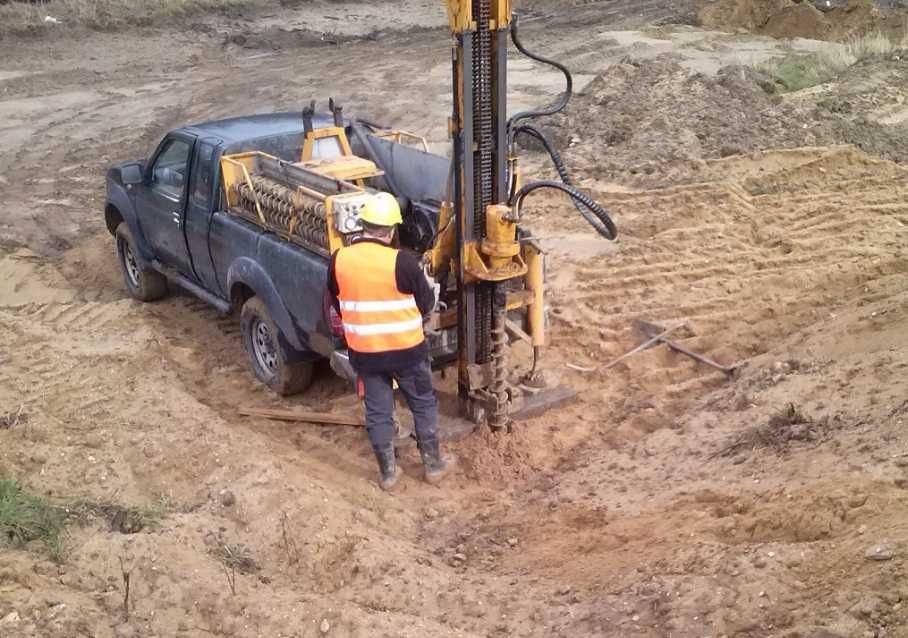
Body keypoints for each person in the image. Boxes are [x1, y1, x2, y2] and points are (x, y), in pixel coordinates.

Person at [327, 192, 453, 491]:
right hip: (407, 351)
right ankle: (433, 466)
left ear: (363, 225)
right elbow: (425, 304)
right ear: (392, 230)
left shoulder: (339, 260)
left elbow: (336, 301)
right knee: (422, 403)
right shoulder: (403, 262)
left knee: (378, 411)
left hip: (366, 354)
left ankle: (388, 474)